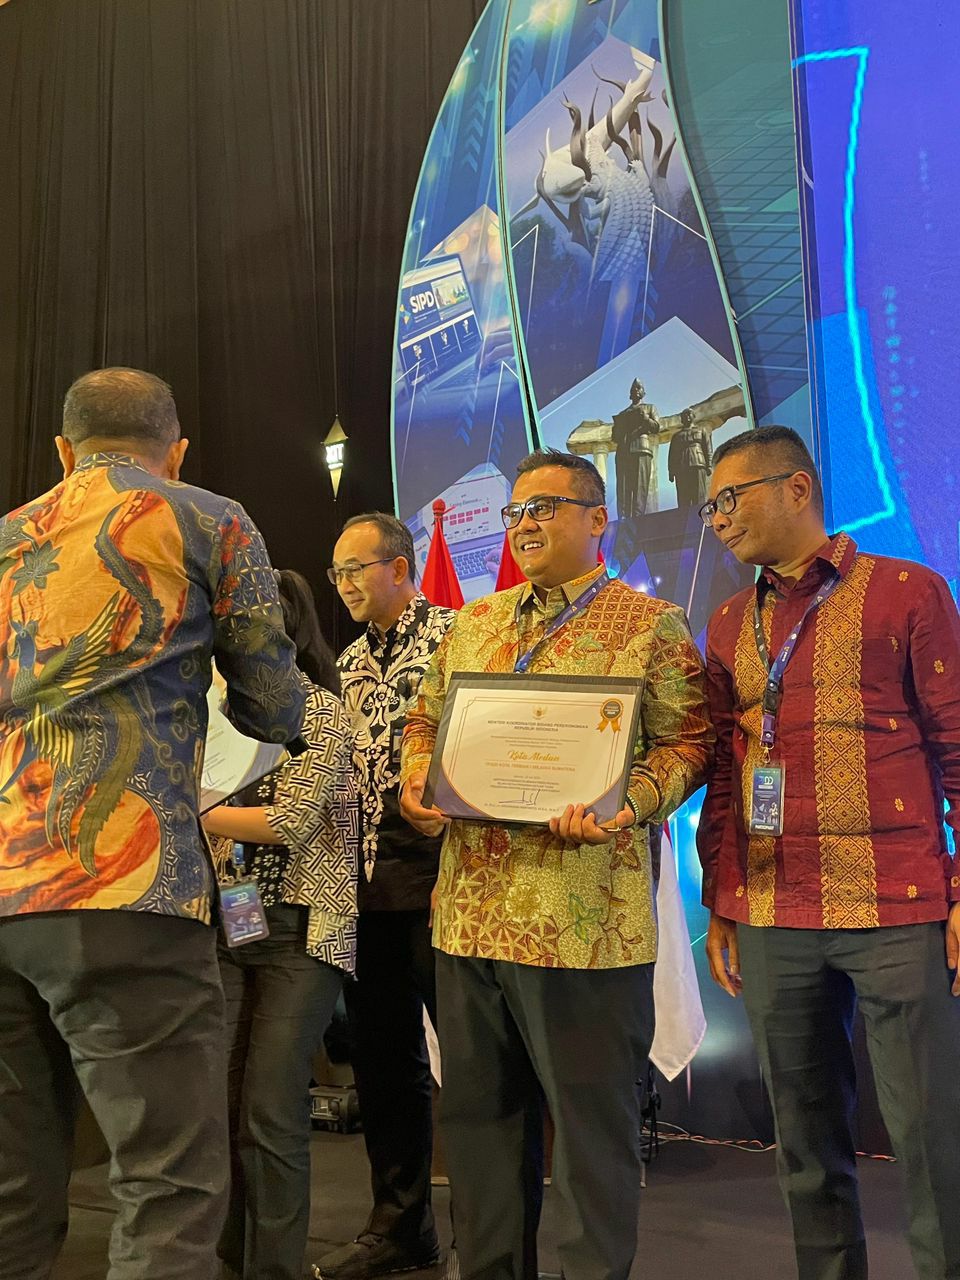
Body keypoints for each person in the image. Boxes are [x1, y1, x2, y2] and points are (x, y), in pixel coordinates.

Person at [0, 368, 306, 1280]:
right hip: (128, 885)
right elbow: (273, 703)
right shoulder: (209, 518)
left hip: (6, 887)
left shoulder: (8, 537)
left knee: (12, 1187)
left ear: (64, 451)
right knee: (166, 1183)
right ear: (176, 451)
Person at [400, 449, 712, 1280]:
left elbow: (690, 743)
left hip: (586, 927)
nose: (525, 523)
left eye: (545, 507)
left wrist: (626, 803)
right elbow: (423, 723)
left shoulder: (649, 626)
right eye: (516, 511)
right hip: (470, 918)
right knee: (480, 1132)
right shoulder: (474, 622)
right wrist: (417, 780)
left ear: (597, 518)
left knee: (589, 1140)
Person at [696, 425, 960, 1280]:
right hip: (773, 909)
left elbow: (957, 745)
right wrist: (722, 898)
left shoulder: (908, 592)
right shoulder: (728, 622)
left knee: (931, 1138)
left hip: (897, 905)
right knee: (805, 1144)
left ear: (797, 488)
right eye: (710, 506)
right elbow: (728, 775)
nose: (717, 518)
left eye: (730, 498)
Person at [203, 569, 359, 1280]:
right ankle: (230, 1263)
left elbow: (291, 821)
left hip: (304, 930)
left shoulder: (322, 712)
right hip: (228, 926)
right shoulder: (211, 711)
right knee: (222, 1107)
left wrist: (195, 808)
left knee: (269, 1110)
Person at [312, 513, 454, 1280]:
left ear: (400, 568)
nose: (343, 584)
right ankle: (400, 1227)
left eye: (355, 568)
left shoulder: (458, 638)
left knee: (475, 1064)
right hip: (367, 892)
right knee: (384, 1068)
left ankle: (496, 1238)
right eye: (335, 573)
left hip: (447, 887)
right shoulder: (347, 663)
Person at [611, 378, 660, 519]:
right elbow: (615, 437)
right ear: (630, 393)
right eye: (634, 388)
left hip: (641, 450)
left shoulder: (650, 408)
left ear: (644, 392)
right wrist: (617, 428)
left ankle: (639, 518)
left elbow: (656, 427)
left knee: (640, 487)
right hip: (623, 451)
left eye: (639, 388)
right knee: (623, 488)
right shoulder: (623, 413)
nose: (636, 390)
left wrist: (645, 418)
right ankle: (623, 518)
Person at [667, 407, 713, 507]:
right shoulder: (676, 436)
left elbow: (708, 449)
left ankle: (699, 515)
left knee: (699, 496)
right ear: (681, 419)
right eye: (684, 415)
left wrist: (709, 465)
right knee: (683, 497)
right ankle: (684, 516)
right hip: (681, 468)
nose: (687, 416)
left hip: (698, 465)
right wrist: (671, 472)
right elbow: (672, 455)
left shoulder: (701, 431)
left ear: (693, 416)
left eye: (689, 414)